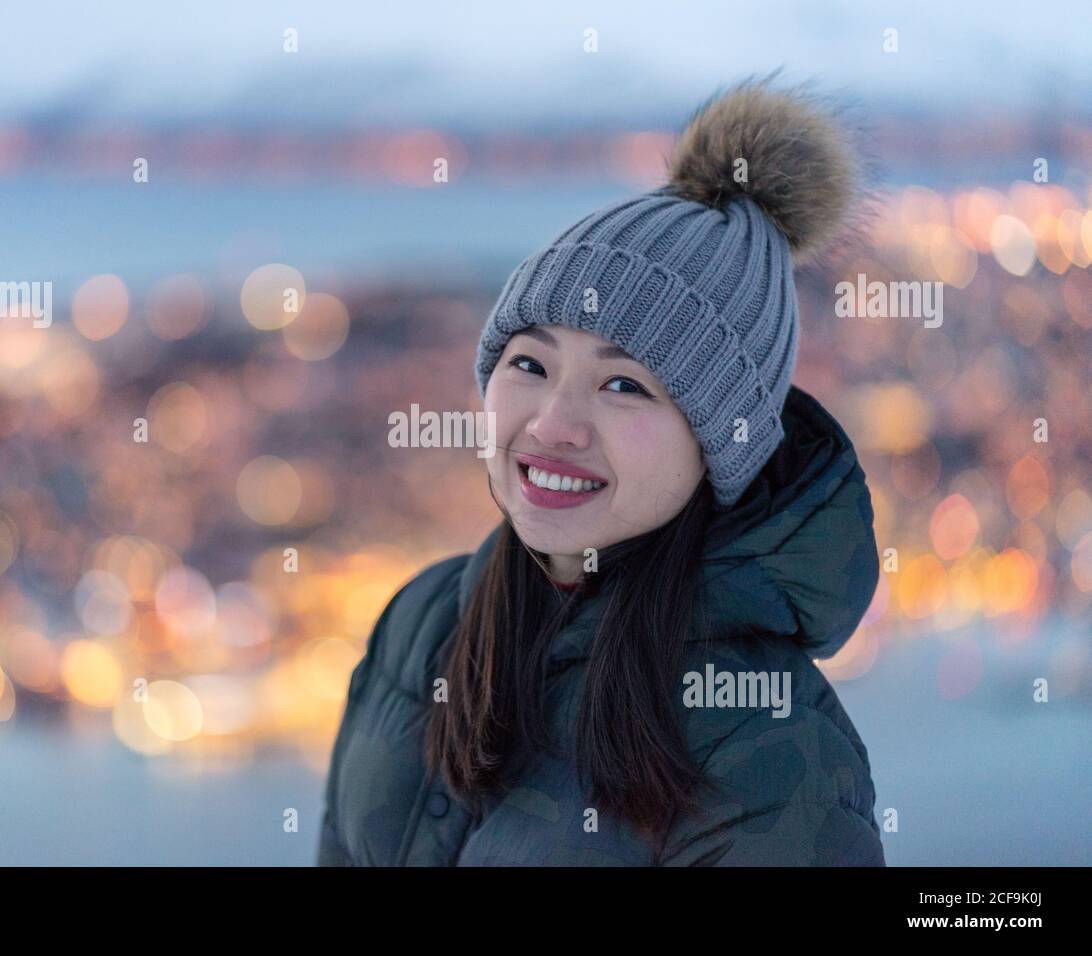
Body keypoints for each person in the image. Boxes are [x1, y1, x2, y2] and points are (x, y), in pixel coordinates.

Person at [318, 75, 885, 865]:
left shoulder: (775, 755)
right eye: (528, 363)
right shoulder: (421, 623)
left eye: (626, 384)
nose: (552, 424)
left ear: (721, 444)